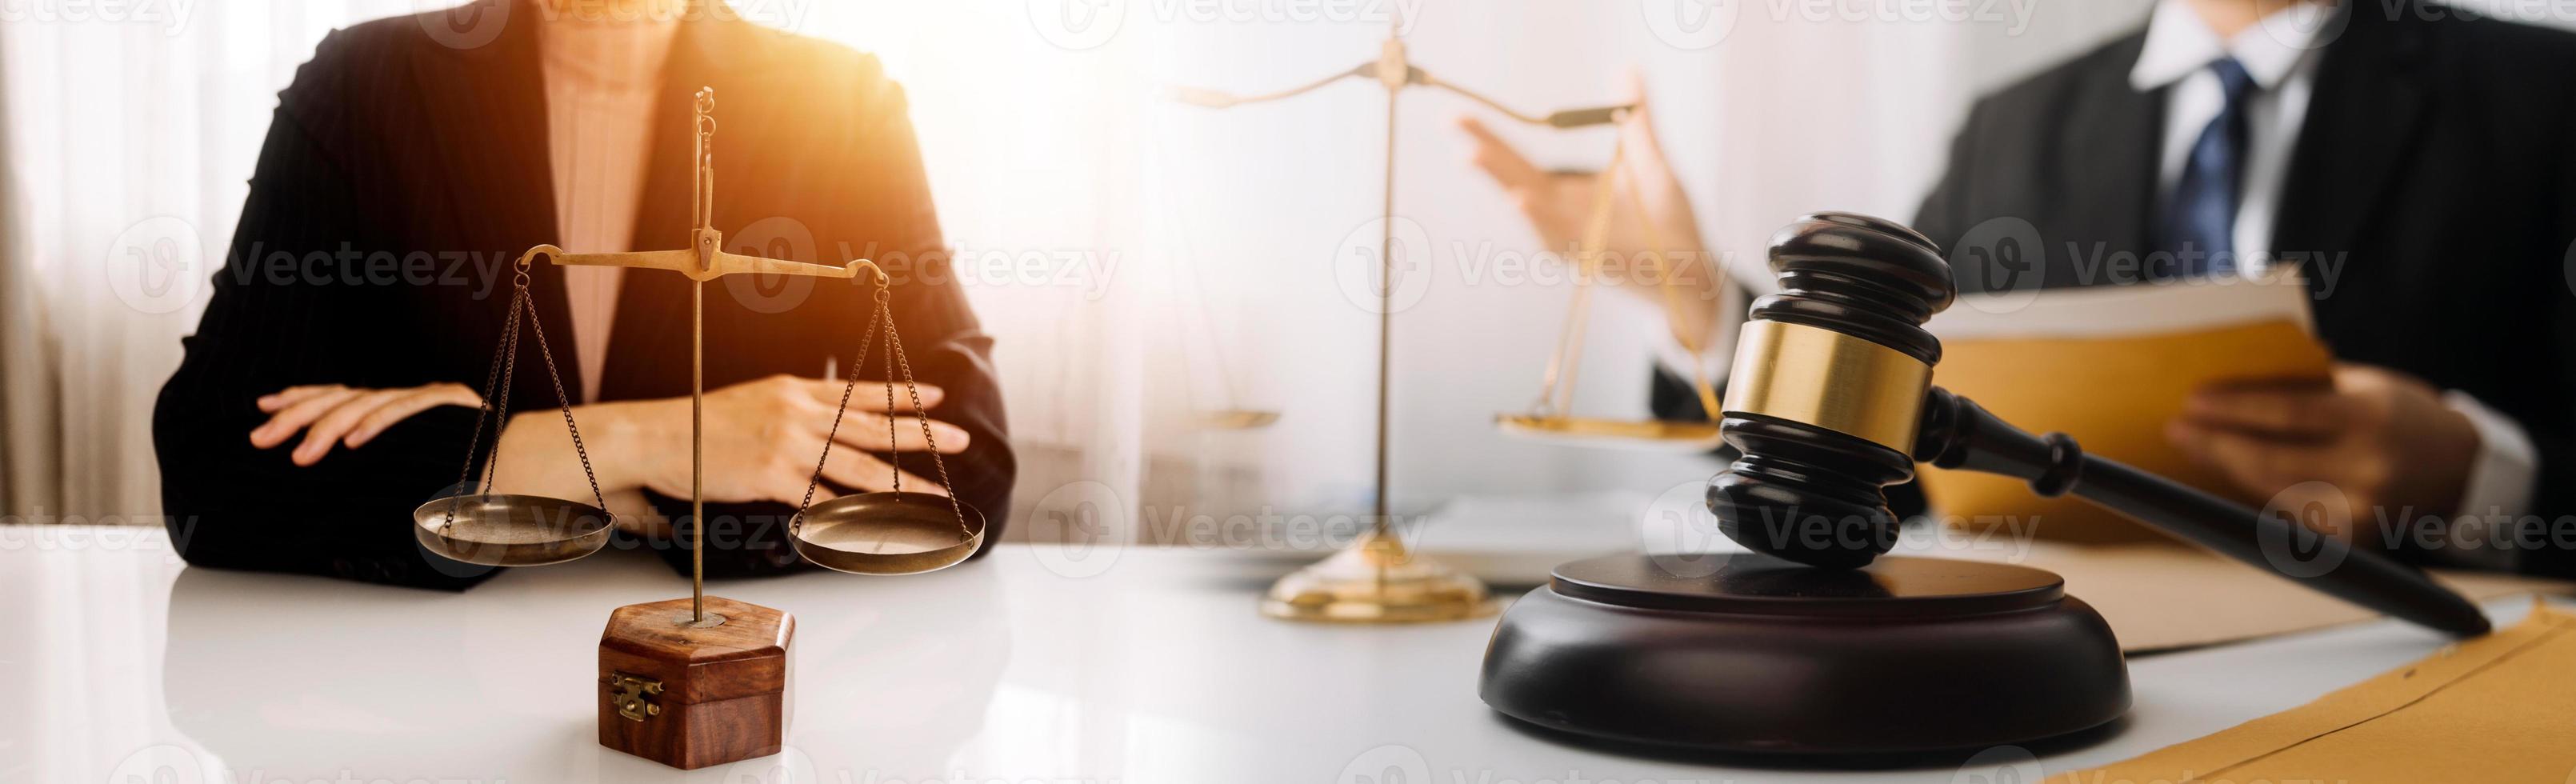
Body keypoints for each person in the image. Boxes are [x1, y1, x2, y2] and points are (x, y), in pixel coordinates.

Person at [1462, 0, 2576, 576]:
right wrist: (1700, 306)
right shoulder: (2014, 127)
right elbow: (1880, 473)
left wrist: (2483, 477)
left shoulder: (2545, 96)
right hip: (2078, 693)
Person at [152, 0, 1014, 590]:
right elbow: (212, 474)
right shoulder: (364, 86)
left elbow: (966, 466)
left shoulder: (840, 104)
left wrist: (494, 464)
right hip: (420, 698)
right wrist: (653, 442)